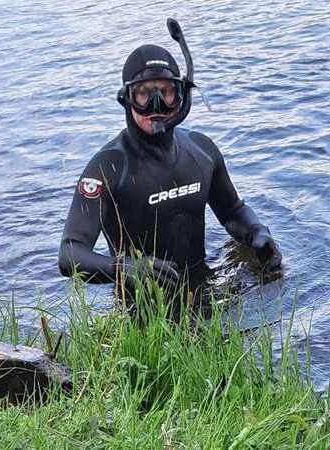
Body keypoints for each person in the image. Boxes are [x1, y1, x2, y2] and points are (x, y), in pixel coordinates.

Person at [58, 20, 281, 302]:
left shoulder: (201, 150)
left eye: (165, 92)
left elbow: (232, 211)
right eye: (143, 93)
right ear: (126, 98)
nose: (156, 105)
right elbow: (69, 253)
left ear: (180, 95)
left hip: (204, 292)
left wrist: (257, 232)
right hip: (140, 305)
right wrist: (123, 269)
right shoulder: (108, 167)